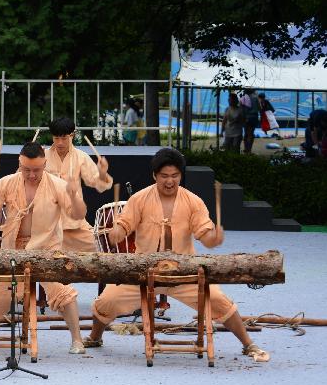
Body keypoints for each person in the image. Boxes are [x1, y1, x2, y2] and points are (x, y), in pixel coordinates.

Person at [84, 147, 270, 362]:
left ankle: (248, 344)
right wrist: (117, 232)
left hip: (184, 274)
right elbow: (124, 226)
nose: (169, 181)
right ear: (155, 176)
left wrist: (215, 238)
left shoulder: (193, 201)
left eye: (175, 176)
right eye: (164, 176)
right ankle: (95, 336)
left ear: (181, 176)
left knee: (220, 301)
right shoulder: (139, 198)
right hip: (144, 273)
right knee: (107, 299)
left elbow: (205, 236)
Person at [0, 142, 88, 354]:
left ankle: (77, 341)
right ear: (20, 163)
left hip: (46, 249)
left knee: (62, 292)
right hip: (12, 250)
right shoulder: (8, 182)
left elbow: (78, 214)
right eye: (27, 169)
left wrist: (73, 195)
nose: (32, 174)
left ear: (45, 164)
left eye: (36, 170)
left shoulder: (57, 185)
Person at [44, 117, 112, 252]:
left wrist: (102, 173)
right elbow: (25, 179)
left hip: (73, 223)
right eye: (56, 138)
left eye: (64, 138)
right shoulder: (43, 156)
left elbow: (97, 183)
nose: (60, 143)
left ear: (72, 135)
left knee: (97, 250)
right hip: (47, 223)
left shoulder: (81, 157)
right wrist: (24, 165)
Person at [241, 89, 261, 153]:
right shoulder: (255, 98)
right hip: (253, 117)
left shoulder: (243, 98)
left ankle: (245, 149)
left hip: (245, 117)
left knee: (246, 133)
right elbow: (259, 108)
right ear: (253, 91)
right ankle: (249, 150)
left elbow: (241, 108)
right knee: (251, 134)